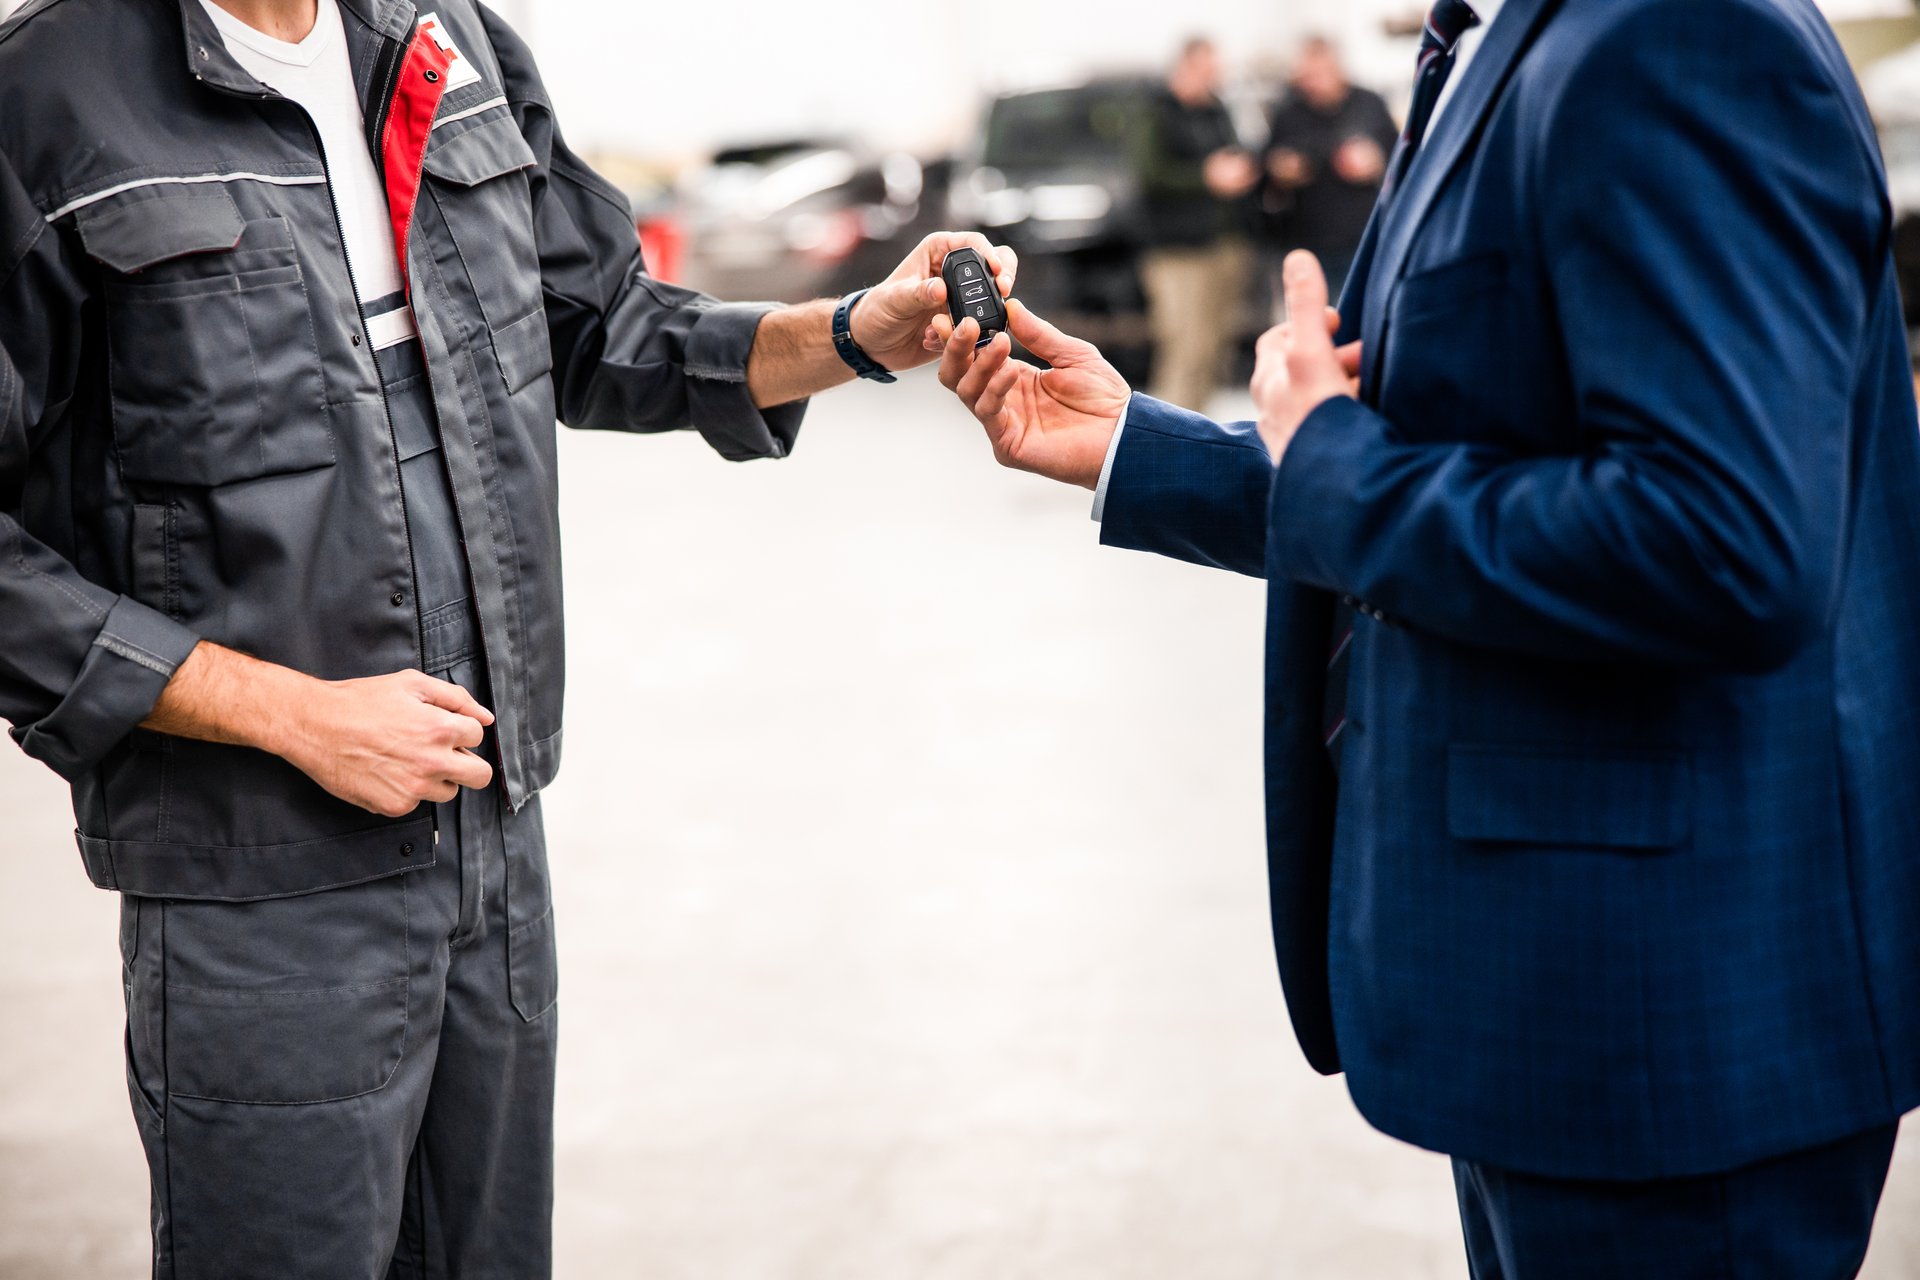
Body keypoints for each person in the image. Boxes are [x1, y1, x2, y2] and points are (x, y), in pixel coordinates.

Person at [0, 0, 1012, 1271]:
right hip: (259, 894)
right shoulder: (48, 95)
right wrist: (290, 712)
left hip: (492, 856)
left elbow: (598, 330)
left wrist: (852, 332)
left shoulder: (448, 40)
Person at [934, 0, 1920, 1273]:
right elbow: (1452, 449)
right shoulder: (1504, 43)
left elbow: (1724, 541)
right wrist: (1134, 445)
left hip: (1675, 1030)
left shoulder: (1677, 35)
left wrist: (1333, 456)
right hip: (1564, 1006)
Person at [1133, 36, 1258, 412]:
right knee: (1184, 346)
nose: (1212, 78)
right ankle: (1165, 433)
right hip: (1177, 251)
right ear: (1184, 67)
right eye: (1205, 70)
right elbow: (1149, 175)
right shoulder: (1157, 113)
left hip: (1222, 245)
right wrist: (1207, 177)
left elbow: (1237, 152)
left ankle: (1198, 429)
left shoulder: (1218, 112)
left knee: (1212, 348)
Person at [1261, 36, 1398, 303]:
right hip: (1308, 237)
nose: (1314, 83)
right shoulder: (1288, 112)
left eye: (1321, 73)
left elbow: (1400, 156)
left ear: (1338, 68)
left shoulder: (1369, 103)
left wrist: (1375, 160)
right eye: (1307, 75)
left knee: (1363, 314)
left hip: (1363, 235)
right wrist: (1281, 169)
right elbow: (1266, 167)